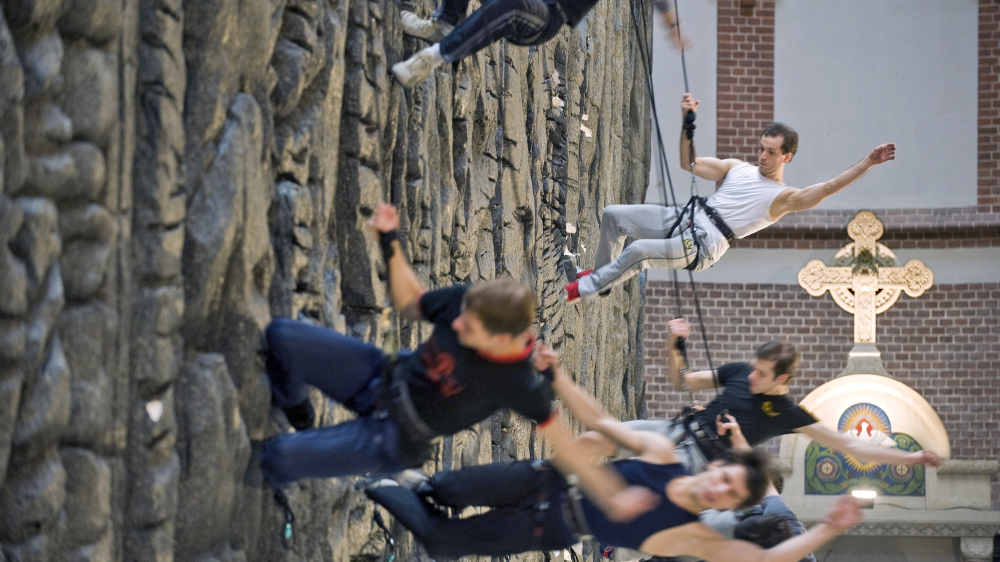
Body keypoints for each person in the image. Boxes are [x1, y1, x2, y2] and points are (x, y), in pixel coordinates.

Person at [366, 349, 863, 561]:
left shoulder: (690, 534)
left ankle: (384, 488)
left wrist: (828, 529)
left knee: (442, 540)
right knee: (446, 487)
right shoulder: (665, 453)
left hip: (553, 526)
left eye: (730, 495)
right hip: (544, 479)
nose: (721, 488)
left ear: (727, 507)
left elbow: (770, 558)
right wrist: (557, 377)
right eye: (727, 478)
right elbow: (603, 423)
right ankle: (419, 486)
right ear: (720, 466)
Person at [257, 203, 608, 486]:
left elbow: (568, 440)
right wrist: (389, 242)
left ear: (501, 340)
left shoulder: (517, 381)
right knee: (281, 336)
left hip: (395, 437)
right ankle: (295, 406)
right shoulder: (463, 302)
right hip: (381, 377)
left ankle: (288, 454)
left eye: (467, 327)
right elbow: (411, 303)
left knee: (275, 458)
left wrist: (614, 497)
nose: (456, 324)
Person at [564, 93, 897, 302]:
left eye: (771, 152)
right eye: (762, 149)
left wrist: (867, 162)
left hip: (707, 241)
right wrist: (687, 124)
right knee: (614, 216)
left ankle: (582, 289)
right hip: (688, 216)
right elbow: (689, 163)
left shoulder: (782, 198)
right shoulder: (736, 168)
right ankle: (602, 279)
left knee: (638, 252)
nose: (763, 156)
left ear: (787, 157)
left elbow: (824, 189)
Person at [580, 317, 943, 477]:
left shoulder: (785, 412)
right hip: (677, 428)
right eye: (754, 368)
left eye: (762, 374)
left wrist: (909, 458)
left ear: (781, 379)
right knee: (600, 437)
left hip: (695, 459)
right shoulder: (741, 371)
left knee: (618, 480)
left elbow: (850, 444)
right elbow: (684, 381)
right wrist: (675, 342)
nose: (752, 376)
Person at [392, 0, 687, 87]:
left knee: (512, 6)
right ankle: (443, 24)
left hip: (544, 17)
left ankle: (430, 59)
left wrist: (671, 25)